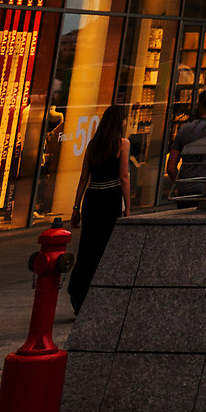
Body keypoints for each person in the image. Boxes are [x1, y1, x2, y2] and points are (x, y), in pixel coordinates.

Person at [68, 104, 130, 313]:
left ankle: (78, 293)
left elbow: (84, 177)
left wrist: (76, 207)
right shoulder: (122, 144)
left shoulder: (93, 144)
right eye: (124, 119)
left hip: (92, 198)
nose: (126, 122)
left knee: (88, 246)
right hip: (110, 198)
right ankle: (99, 294)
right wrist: (128, 207)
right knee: (106, 247)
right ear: (119, 122)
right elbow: (124, 177)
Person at [168, 87, 206, 206]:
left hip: (186, 191)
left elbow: (171, 168)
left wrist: (181, 183)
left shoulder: (184, 129)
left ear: (199, 105)